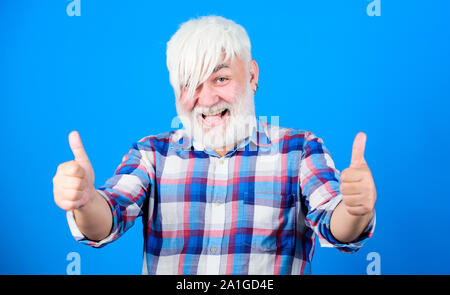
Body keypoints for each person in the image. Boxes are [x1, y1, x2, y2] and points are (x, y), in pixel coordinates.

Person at [53, 16, 376, 275]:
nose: (206, 99)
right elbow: (106, 218)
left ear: (251, 76)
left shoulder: (300, 149)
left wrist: (353, 209)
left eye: (220, 79)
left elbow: (338, 226)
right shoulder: (152, 154)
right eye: (190, 83)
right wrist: (84, 201)